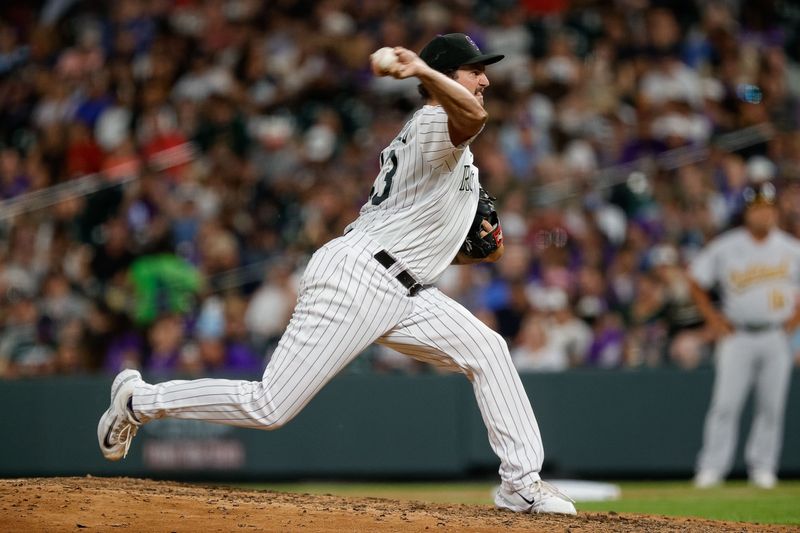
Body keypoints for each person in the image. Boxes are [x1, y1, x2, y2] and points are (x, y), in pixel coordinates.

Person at [97, 33, 576, 515]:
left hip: (405, 289)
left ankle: (521, 483)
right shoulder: (436, 122)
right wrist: (425, 74)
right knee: (270, 406)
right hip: (360, 276)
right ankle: (140, 400)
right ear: (448, 77)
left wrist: (474, 249)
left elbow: (459, 247)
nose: (485, 79)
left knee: (488, 350)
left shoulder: (455, 154)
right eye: (475, 71)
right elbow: (472, 116)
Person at [689, 182, 800, 489]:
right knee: (725, 404)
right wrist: (713, 318)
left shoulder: (791, 248)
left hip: (776, 335)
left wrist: (795, 320)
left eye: (768, 207)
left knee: (771, 406)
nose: (764, 213)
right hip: (737, 335)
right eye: (757, 208)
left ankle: (763, 467)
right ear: (747, 212)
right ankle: (712, 467)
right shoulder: (727, 246)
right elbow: (696, 279)